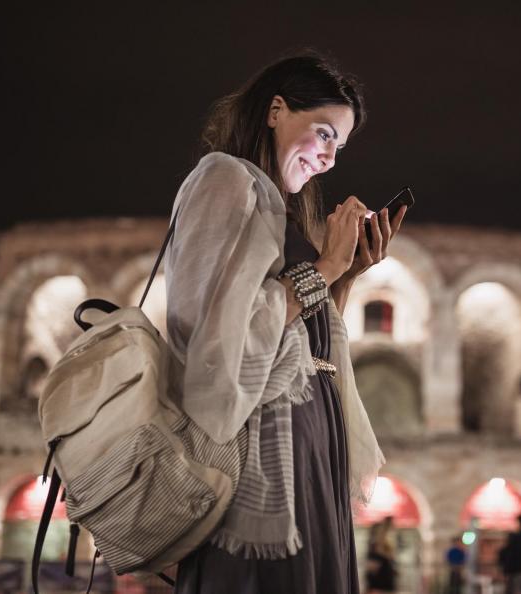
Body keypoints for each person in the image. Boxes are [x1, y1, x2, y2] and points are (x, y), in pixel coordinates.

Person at [169, 51, 407, 594]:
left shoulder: (279, 208)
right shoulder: (225, 180)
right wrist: (326, 265)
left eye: (338, 147)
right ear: (276, 110)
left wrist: (346, 276)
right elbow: (215, 334)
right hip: (267, 443)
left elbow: (304, 342)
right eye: (323, 134)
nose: (328, 158)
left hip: (312, 432)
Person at [365, 517, 397, 593]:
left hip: (385, 587)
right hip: (378, 587)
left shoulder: (386, 548)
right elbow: (372, 570)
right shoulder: (375, 548)